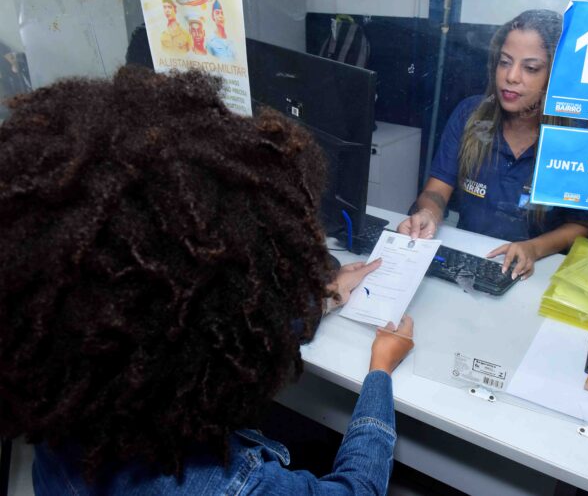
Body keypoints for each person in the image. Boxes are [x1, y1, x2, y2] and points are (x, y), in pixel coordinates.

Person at [0, 66, 414, 495]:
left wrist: (322, 297)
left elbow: (206, 324)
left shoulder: (70, 393)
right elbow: (358, 490)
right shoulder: (226, 486)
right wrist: (380, 373)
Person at [398, 9, 588, 280]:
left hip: (535, 273)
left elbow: (581, 226)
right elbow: (437, 190)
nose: (511, 76)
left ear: (555, 76)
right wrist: (429, 213)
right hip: (467, 260)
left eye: (530, 68)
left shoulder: (576, 137)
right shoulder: (469, 115)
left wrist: (533, 249)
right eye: (504, 62)